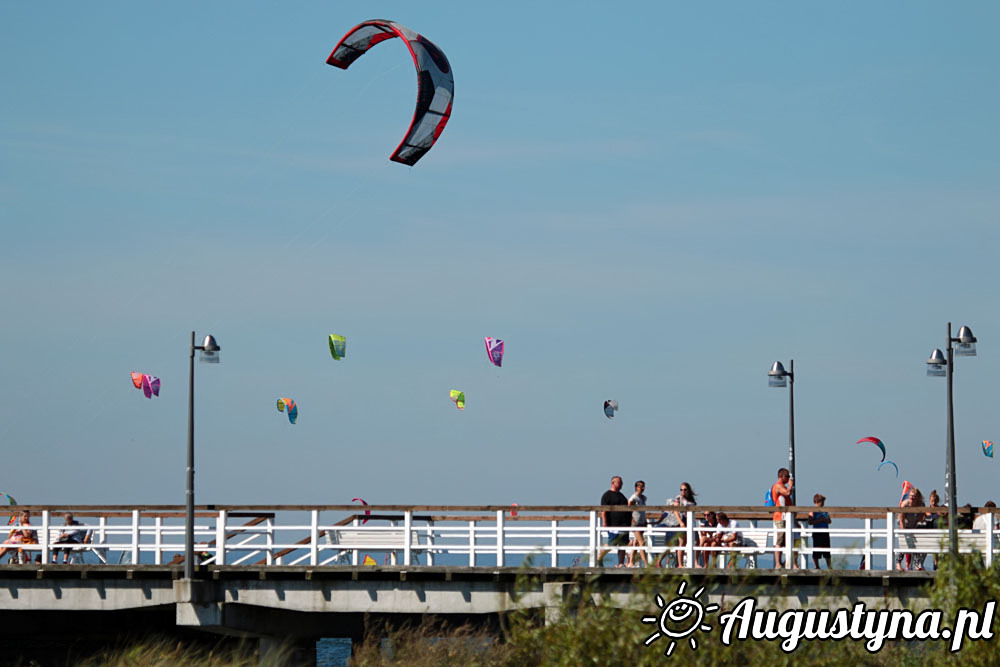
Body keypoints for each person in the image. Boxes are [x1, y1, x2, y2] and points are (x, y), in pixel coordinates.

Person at [654, 483, 697, 567]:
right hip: (679, 523)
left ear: (688, 490)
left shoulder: (691, 500)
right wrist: (680, 522)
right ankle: (679, 564)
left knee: (681, 544)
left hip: (688, 522)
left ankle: (674, 562)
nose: (683, 491)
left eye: (685, 489)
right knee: (680, 543)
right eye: (681, 489)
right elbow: (675, 511)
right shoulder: (678, 498)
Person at [597, 476, 630, 567]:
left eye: (622, 483)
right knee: (613, 543)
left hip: (624, 524)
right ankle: (600, 556)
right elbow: (604, 510)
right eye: (619, 483)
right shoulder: (607, 495)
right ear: (613, 483)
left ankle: (620, 563)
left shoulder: (622, 496)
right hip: (613, 524)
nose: (621, 485)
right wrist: (605, 523)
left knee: (622, 545)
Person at [896, 488, 925, 571]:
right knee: (903, 544)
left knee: (916, 546)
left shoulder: (921, 505)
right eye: (911, 496)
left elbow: (921, 517)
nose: (912, 498)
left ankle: (916, 564)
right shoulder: (905, 504)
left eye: (914, 496)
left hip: (914, 525)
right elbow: (901, 520)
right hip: (904, 525)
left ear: (918, 497)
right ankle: (898, 564)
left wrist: (916, 526)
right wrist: (903, 531)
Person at [771, 468, 794, 568]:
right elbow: (787, 493)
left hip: (785, 517)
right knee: (780, 540)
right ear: (781, 476)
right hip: (780, 516)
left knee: (787, 540)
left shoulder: (782, 486)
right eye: (787, 476)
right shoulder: (778, 486)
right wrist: (791, 485)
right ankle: (777, 563)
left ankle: (785, 563)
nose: (788, 478)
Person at [626, 481, 650, 567]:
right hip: (635, 523)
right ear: (636, 487)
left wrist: (645, 520)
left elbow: (643, 511)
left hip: (642, 522)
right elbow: (629, 507)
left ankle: (631, 561)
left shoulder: (643, 498)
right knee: (642, 542)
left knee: (636, 543)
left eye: (643, 487)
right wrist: (632, 519)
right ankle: (646, 563)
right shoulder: (634, 498)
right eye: (640, 487)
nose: (642, 488)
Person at [807, 494, 832, 569]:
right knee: (816, 550)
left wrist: (826, 520)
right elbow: (810, 522)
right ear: (817, 501)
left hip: (825, 532)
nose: (823, 503)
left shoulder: (825, 511)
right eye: (822, 502)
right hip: (817, 532)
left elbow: (829, 521)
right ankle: (817, 566)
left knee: (827, 550)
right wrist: (820, 520)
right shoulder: (812, 510)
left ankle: (829, 567)